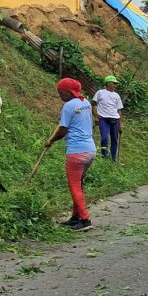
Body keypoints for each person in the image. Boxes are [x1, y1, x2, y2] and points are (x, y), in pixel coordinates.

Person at [45, 78, 97, 231]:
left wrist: (51, 140)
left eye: (61, 93)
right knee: (79, 185)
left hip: (76, 152)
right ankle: (75, 217)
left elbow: (63, 129)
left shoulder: (68, 106)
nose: (60, 95)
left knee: (74, 186)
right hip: (90, 150)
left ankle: (85, 220)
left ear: (68, 92)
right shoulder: (85, 102)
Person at [92, 75, 124, 162]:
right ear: (108, 83)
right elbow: (93, 104)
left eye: (116, 84)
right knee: (105, 138)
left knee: (114, 140)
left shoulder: (117, 95)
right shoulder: (100, 93)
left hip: (115, 119)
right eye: (114, 83)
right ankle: (104, 156)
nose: (115, 85)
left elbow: (119, 110)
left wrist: (121, 124)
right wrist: (96, 116)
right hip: (103, 118)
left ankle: (113, 159)